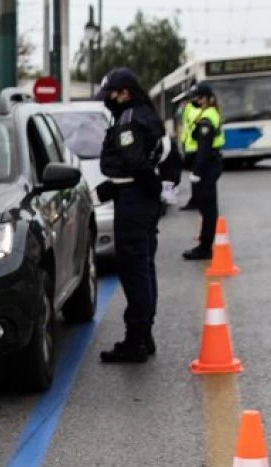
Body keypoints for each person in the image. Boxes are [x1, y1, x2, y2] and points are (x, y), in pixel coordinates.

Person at [92, 68, 165, 363]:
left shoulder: (128, 123)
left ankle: (136, 339)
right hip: (139, 200)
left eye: (111, 94)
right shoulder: (144, 115)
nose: (108, 100)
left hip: (135, 203)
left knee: (135, 271)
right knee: (144, 268)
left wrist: (139, 187)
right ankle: (144, 335)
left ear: (124, 93)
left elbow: (136, 164)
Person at [180, 83, 225, 260]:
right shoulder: (207, 113)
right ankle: (205, 243)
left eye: (198, 97)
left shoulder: (207, 118)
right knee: (206, 206)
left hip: (207, 165)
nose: (195, 100)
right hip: (210, 164)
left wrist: (197, 172)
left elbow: (204, 149)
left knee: (208, 207)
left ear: (207, 98)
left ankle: (205, 247)